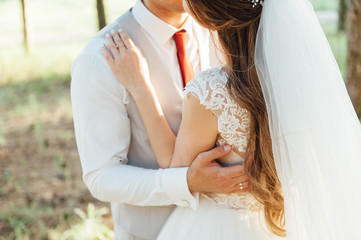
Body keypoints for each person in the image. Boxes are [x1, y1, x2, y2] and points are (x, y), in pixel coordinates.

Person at [103, 0, 361, 239]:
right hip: (282, 222)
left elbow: (175, 169)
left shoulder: (212, 92)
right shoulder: (304, 83)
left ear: (209, 16)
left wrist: (141, 87)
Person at [71, 0, 252, 239]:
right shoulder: (98, 59)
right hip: (150, 233)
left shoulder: (224, 29)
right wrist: (184, 182)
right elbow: (101, 176)